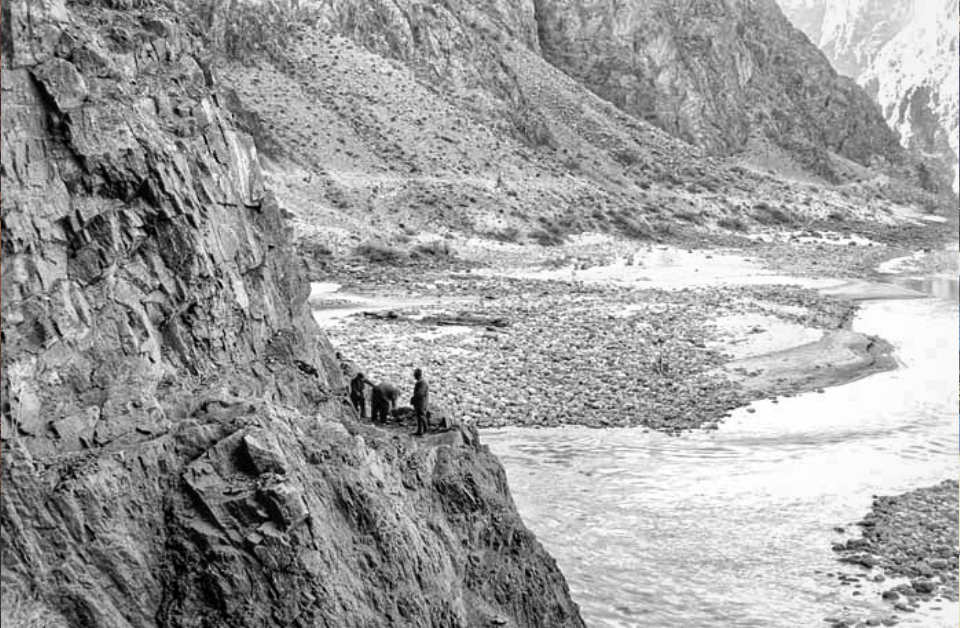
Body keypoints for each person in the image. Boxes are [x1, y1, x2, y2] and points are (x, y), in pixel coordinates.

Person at [411, 368, 430, 436]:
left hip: (422, 402)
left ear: (417, 375)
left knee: (422, 416)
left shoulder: (422, 382)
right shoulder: (421, 381)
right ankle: (419, 431)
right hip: (420, 402)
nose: (414, 376)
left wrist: (413, 399)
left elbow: (420, 393)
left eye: (414, 375)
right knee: (419, 416)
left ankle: (425, 431)